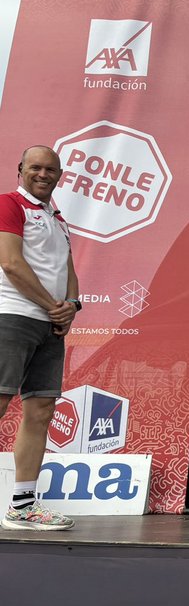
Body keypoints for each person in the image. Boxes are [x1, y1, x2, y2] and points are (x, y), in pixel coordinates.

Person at [0, 146, 80, 531]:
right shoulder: (9, 203)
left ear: (60, 175)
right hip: (11, 315)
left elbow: (68, 270)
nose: (43, 174)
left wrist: (72, 305)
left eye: (51, 169)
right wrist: (53, 305)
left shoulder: (59, 219)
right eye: (35, 167)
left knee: (41, 412)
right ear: (21, 170)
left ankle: (22, 507)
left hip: (48, 325)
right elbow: (10, 263)